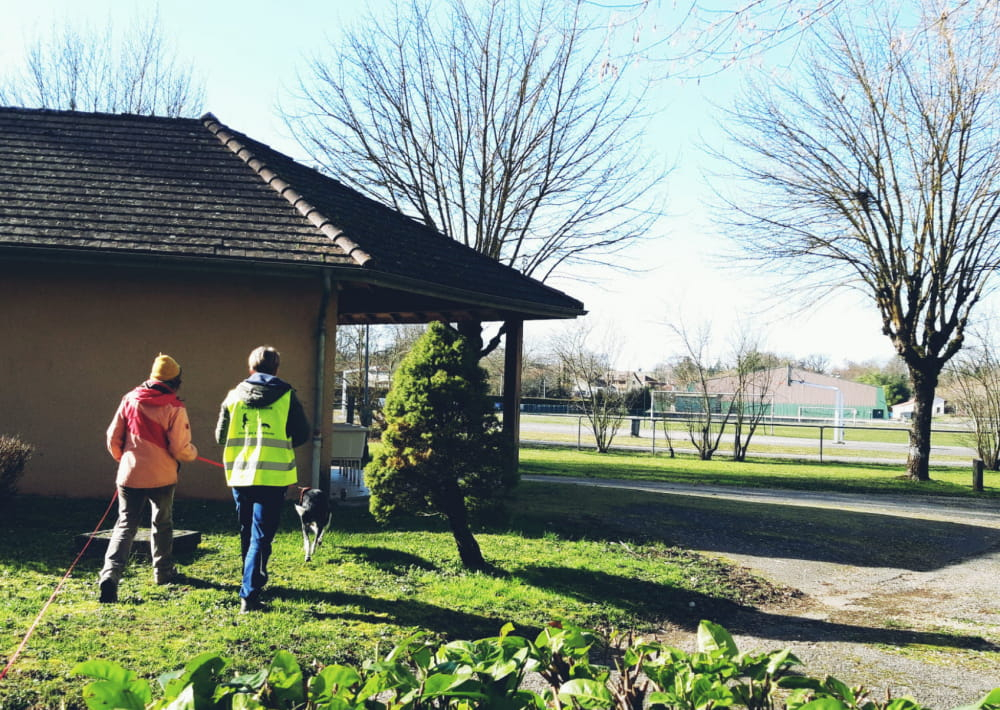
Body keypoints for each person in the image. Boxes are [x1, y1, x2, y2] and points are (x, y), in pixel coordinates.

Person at [215, 346, 310, 613]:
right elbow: (301, 434)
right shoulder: (287, 396)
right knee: (261, 535)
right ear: (276, 368)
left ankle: (253, 578)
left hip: (240, 473)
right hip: (273, 475)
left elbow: (220, 437)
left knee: (248, 530)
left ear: (251, 368)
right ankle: (250, 594)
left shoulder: (233, 396)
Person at [99, 354, 198, 603]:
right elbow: (179, 448)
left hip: (130, 474)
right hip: (163, 475)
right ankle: (163, 573)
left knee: (125, 525)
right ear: (176, 380)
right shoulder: (175, 406)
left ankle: (110, 576)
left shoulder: (130, 399)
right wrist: (192, 453)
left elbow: (113, 437)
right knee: (162, 522)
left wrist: (126, 460)